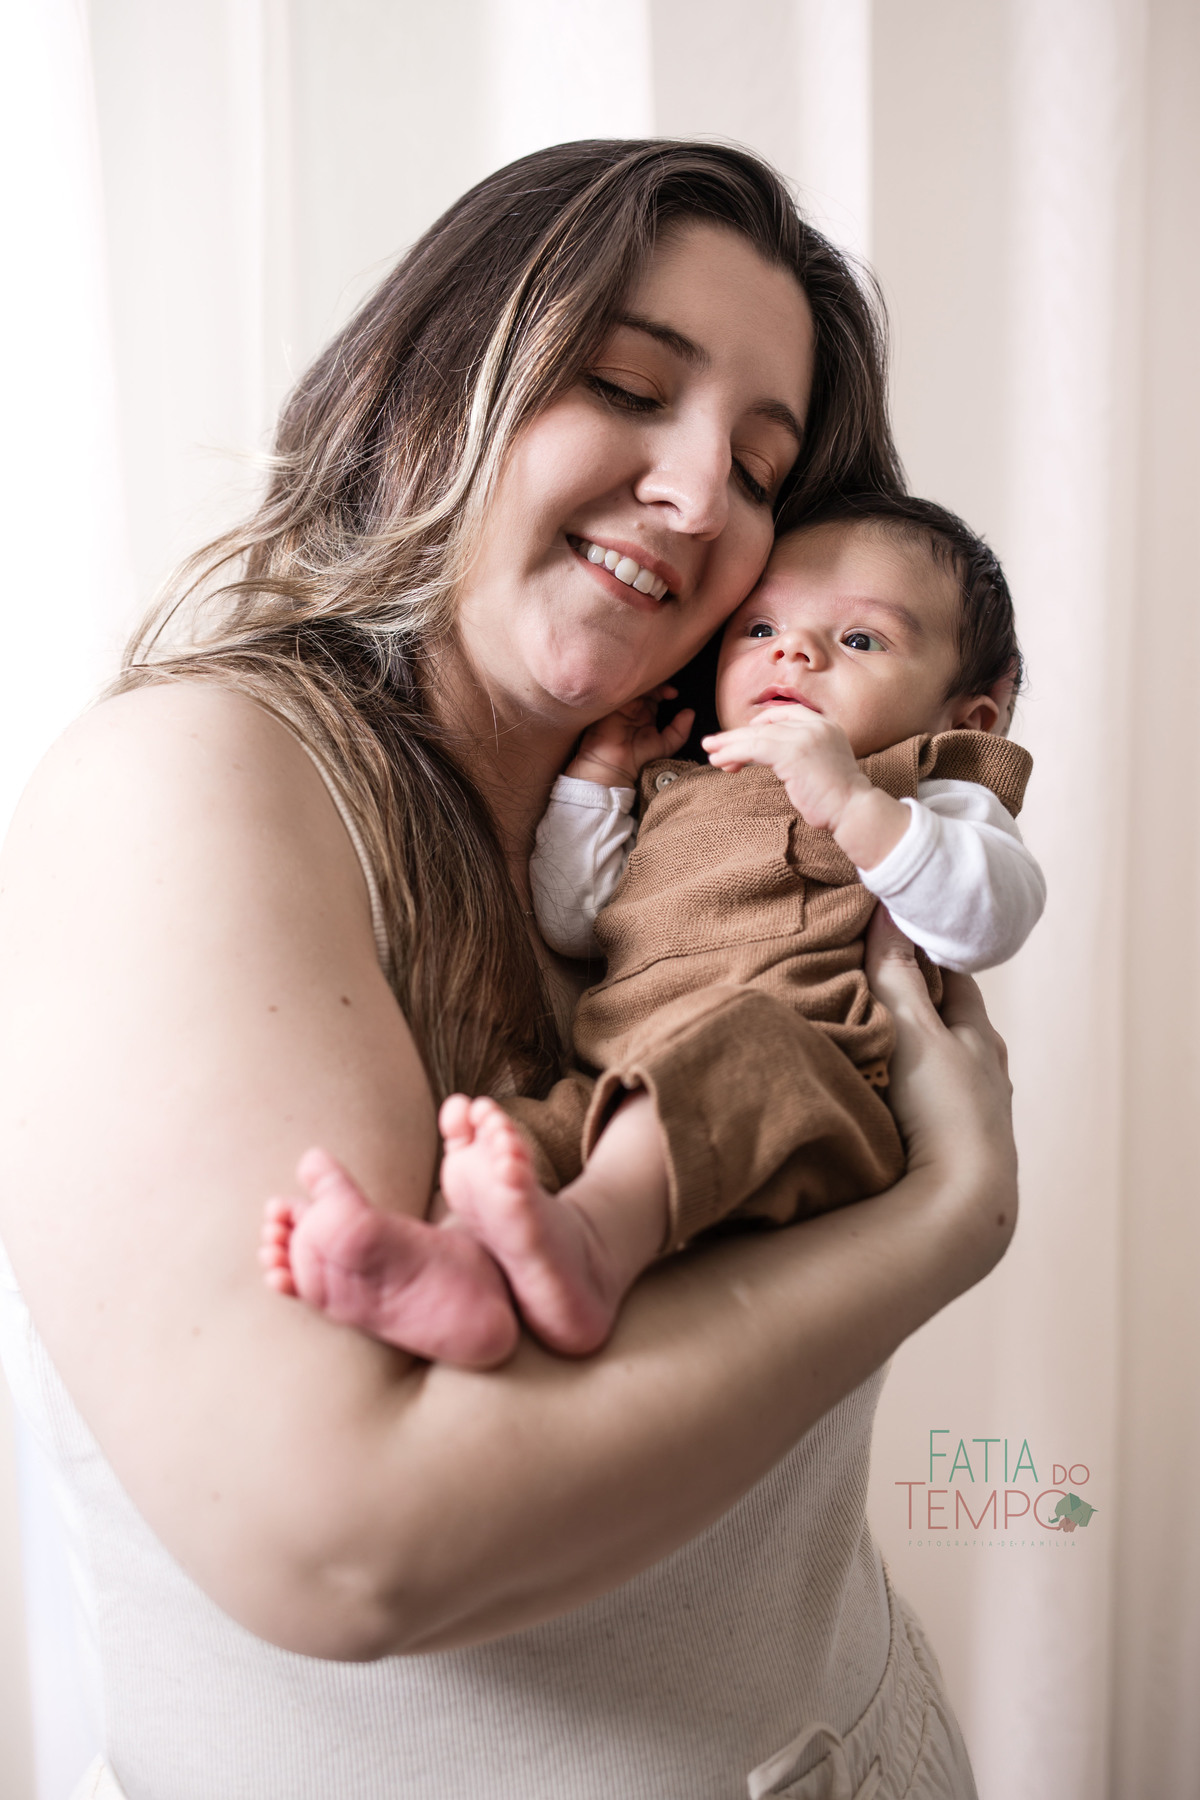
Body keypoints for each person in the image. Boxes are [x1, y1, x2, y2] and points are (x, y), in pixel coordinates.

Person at [0, 141, 1017, 1800]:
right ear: (425, 389)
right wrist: (945, 1226)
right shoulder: (192, 785)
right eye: (627, 383)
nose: (703, 500)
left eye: (764, 468)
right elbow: (348, 1551)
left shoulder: (728, 841)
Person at [259, 496, 1045, 1365]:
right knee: (500, 1142)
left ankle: (590, 1254)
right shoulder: (685, 782)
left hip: (803, 1079)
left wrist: (856, 807)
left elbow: (991, 918)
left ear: (965, 715)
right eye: (760, 628)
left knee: (725, 1059)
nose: (795, 652)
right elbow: (578, 918)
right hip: (614, 1080)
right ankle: (455, 1278)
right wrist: (599, 781)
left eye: (860, 641)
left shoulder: (920, 784)